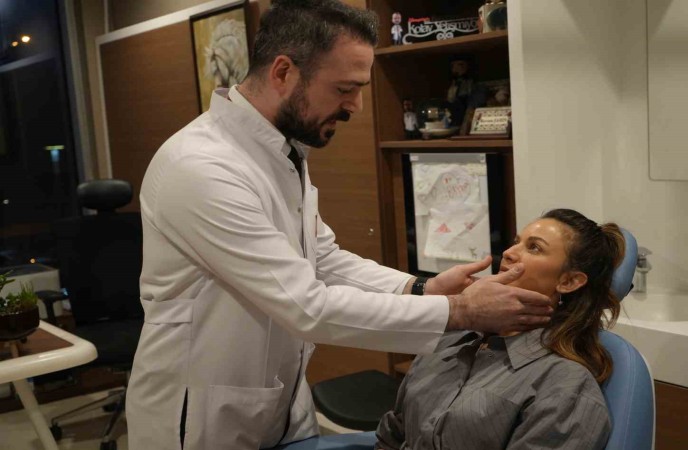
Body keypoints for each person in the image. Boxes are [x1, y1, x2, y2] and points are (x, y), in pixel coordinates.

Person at [125, 1, 553, 449]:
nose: (356, 106)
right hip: (198, 419)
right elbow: (307, 306)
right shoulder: (202, 167)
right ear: (283, 72)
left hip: (276, 401)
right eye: (344, 89)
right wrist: (459, 311)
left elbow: (321, 258)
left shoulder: (281, 150)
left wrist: (420, 288)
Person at [376, 209, 624, 450]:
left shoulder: (566, 386)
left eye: (534, 247)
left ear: (568, 281)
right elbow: (392, 435)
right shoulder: (450, 339)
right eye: (516, 242)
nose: (508, 253)